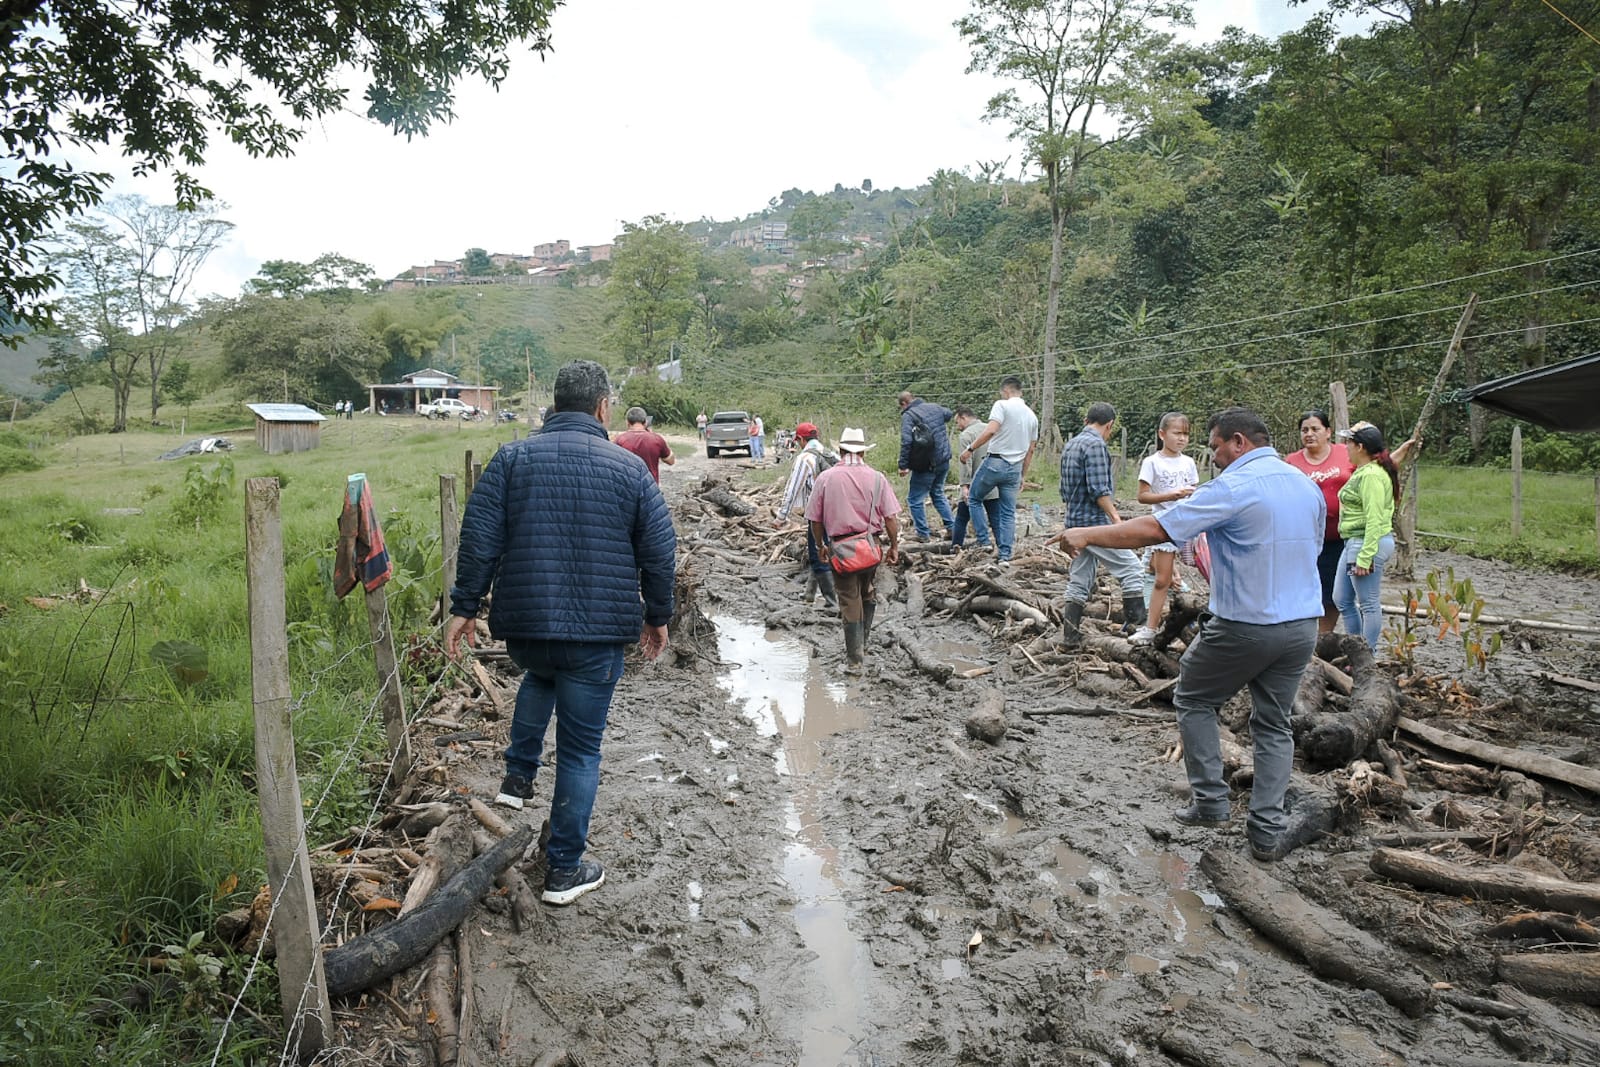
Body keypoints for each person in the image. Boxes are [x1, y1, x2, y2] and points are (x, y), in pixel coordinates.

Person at [444, 360, 676, 906]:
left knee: (542, 677)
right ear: (601, 407)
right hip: (597, 637)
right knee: (580, 752)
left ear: (555, 404)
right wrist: (658, 616)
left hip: (528, 629)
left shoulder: (512, 458)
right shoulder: (629, 469)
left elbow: (479, 537)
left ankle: (517, 782)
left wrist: (465, 606)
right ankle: (564, 870)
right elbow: (659, 552)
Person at [1059, 407, 1324, 861]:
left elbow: (1154, 529)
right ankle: (1265, 831)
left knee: (1195, 698)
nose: (1213, 455)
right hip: (1302, 626)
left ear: (1238, 442)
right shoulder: (1304, 483)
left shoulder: (1234, 486)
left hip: (1244, 624)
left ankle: (1210, 802)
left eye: (1217, 446)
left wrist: (1086, 533)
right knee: (1274, 722)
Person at [807, 427, 901, 674]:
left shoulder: (825, 478)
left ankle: (855, 660)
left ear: (840, 451)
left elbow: (815, 520)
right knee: (867, 592)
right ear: (862, 452)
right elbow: (890, 518)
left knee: (849, 599)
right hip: (871, 548)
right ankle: (864, 642)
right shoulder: (878, 478)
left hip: (841, 550)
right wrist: (894, 546)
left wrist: (820, 546)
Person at [1058, 402, 1147, 647]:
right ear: (1109, 425)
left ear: (1087, 420)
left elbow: (1064, 489)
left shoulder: (1072, 443)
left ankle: (1070, 637)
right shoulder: (1096, 445)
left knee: (1079, 580)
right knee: (1132, 571)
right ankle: (1136, 633)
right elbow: (1099, 490)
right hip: (1094, 525)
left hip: (1074, 523)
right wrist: (1116, 520)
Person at [1131, 412, 1199, 644]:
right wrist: (1172, 495)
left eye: (1186, 434)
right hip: (1163, 525)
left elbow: (1195, 492)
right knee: (1162, 579)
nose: (1181, 439)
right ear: (1162, 434)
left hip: (1188, 524)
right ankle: (1150, 627)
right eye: (1177, 433)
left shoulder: (1188, 462)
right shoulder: (1152, 462)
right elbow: (1143, 496)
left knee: (1197, 571)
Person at [1332, 421, 1400, 651]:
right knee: (1341, 598)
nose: (1346, 448)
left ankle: (1367, 654)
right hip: (1354, 541)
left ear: (1360, 447)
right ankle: (1355, 647)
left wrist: (1365, 556)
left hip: (1365, 542)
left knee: (1369, 603)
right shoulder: (1365, 472)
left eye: (1348, 443)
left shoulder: (1371, 475)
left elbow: (1374, 518)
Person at [958, 375, 1039, 563]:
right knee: (1008, 512)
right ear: (1020, 391)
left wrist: (970, 449)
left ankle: (984, 541)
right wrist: (1022, 476)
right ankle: (1005, 555)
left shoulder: (1002, 406)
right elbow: (1031, 449)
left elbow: (991, 429)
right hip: (1014, 468)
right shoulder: (1031, 416)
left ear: (1005, 391)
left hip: (995, 463)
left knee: (974, 498)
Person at [1284, 410, 1350, 634]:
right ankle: (1303, 632)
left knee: (1333, 590)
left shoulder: (1346, 453)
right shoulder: (1291, 462)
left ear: (1328, 432)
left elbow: (1373, 472)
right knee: (1303, 585)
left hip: (1338, 536)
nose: (1309, 434)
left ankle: (1325, 633)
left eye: (1315, 429)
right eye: (1305, 430)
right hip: (1304, 538)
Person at [776, 421, 838, 609]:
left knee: (818, 553)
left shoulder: (805, 459)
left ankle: (832, 602)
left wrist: (781, 516)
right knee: (819, 552)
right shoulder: (831, 455)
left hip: (818, 514)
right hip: (837, 513)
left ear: (801, 440)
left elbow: (793, 488)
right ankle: (809, 594)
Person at [897, 390, 957, 543]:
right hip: (943, 460)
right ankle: (953, 528)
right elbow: (949, 414)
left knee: (915, 499)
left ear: (904, 404)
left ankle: (923, 534)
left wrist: (903, 465)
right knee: (938, 493)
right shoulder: (934, 407)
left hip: (926, 464)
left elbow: (906, 441)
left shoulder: (908, 416)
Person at [952, 406, 1001, 548]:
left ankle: (956, 546)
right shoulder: (991, 429)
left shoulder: (966, 435)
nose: (958, 426)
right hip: (993, 481)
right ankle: (1002, 547)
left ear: (963, 417)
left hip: (974, 481)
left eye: (957, 422)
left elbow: (965, 461)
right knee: (995, 517)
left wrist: (964, 485)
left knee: (961, 517)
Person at [614, 405, 676, 483]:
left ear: (627, 422)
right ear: (646, 422)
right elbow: (671, 461)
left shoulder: (620, 440)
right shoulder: (656, 439)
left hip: (628, 488)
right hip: (651, 488)